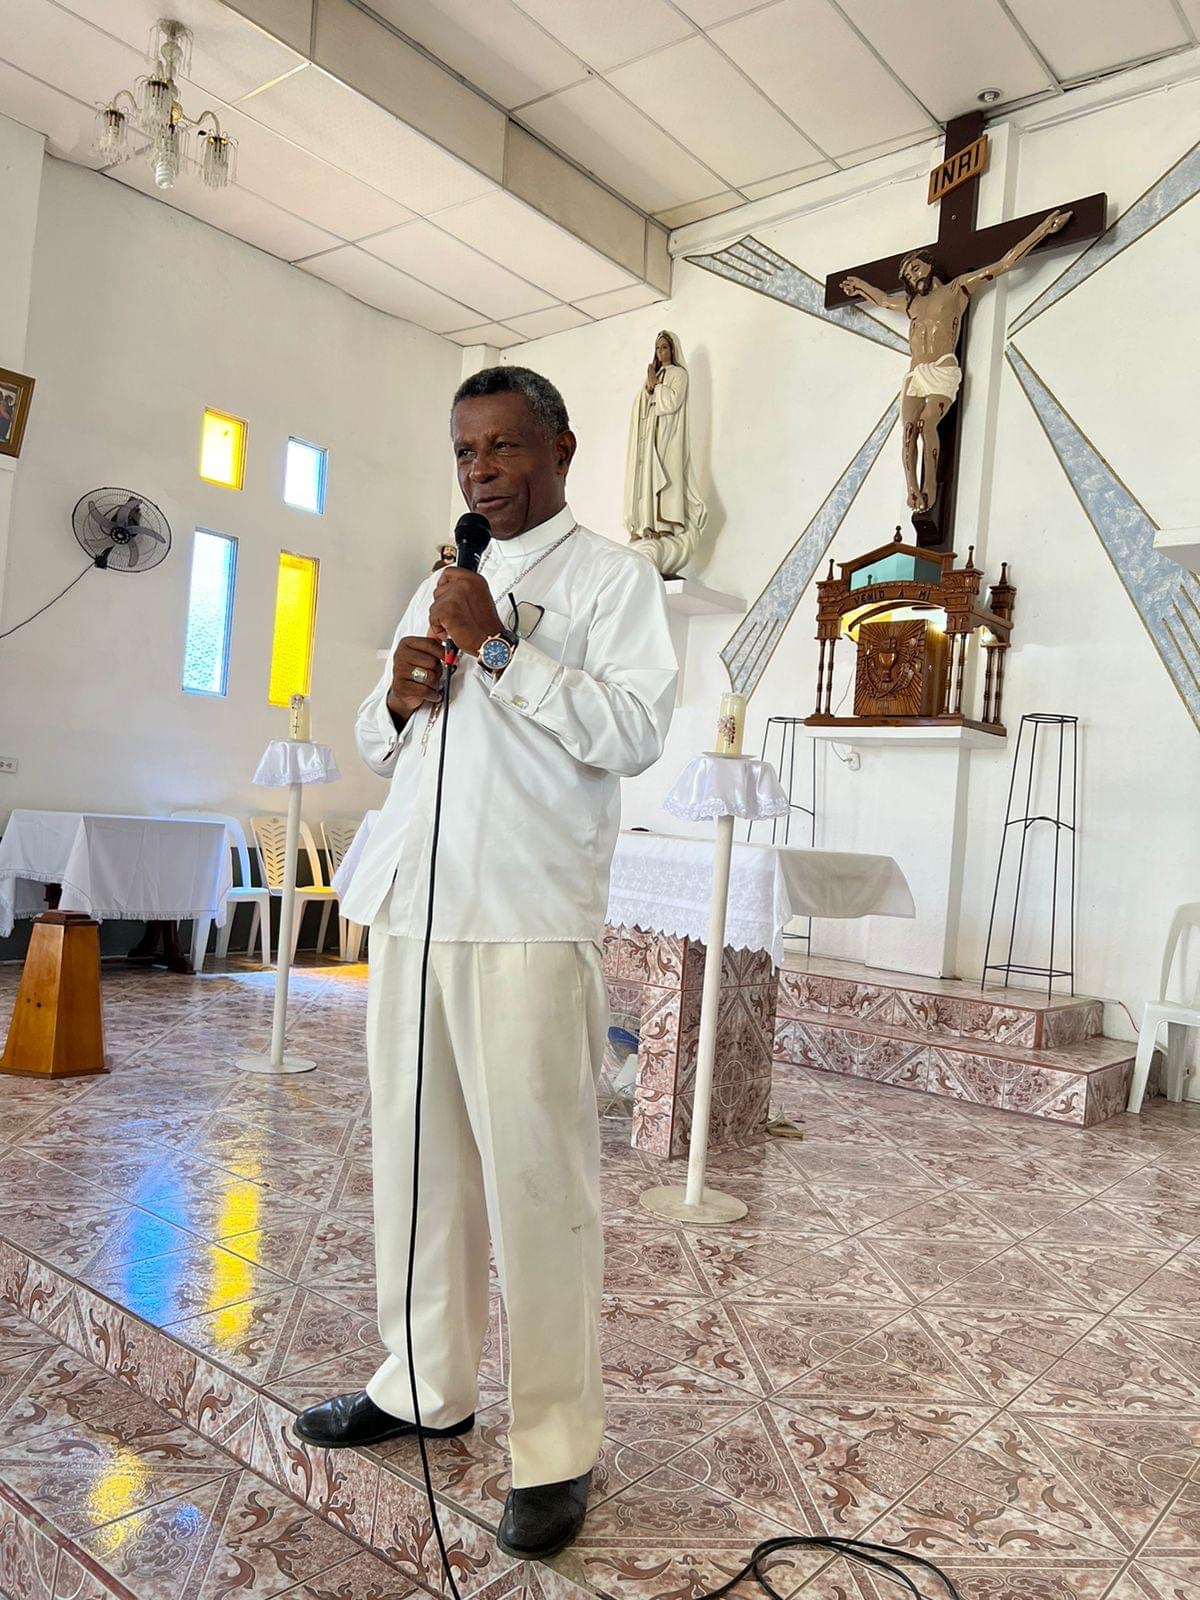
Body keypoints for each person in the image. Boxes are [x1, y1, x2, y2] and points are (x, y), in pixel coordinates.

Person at [294, 367, 677, 1559]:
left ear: (561, 449)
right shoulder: (441, 577)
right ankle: (422, 1384)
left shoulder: (613, 579)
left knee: (538, 1187)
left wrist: (501, 651)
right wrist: (400, 698)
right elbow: (381, 738)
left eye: (504, 447)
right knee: (417, 1167)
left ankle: (554, 1447)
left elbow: (634, 732)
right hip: (415, 906)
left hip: (524, 914)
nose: (481, 471)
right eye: (466, 451)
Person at [840, 209, 1071, 513]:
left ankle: (930, 485)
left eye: (915, 267)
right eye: (907, 275)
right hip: (915, 373)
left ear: (929, 265)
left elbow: (1004, 264)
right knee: (908, 431)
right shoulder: (912, 304)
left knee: (926, 424)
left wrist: (1042, 230)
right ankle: (912, 490)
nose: (912, 275)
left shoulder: (957, 289)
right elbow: (882, 300)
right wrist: (859, 285)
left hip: (942, 369)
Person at [623, 330, 708, 575]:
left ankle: (664, 526)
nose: (660, 352)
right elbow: (642, 402)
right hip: (649, 436)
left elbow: (672, 402)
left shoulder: (679, 374)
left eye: (664, 348)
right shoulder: (656, 374)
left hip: (667, 438)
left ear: (672, 350)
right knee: (646, 480)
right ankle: (646, 525)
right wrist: (649, 388)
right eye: (658, 348)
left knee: (664, 479)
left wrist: (657, 386)